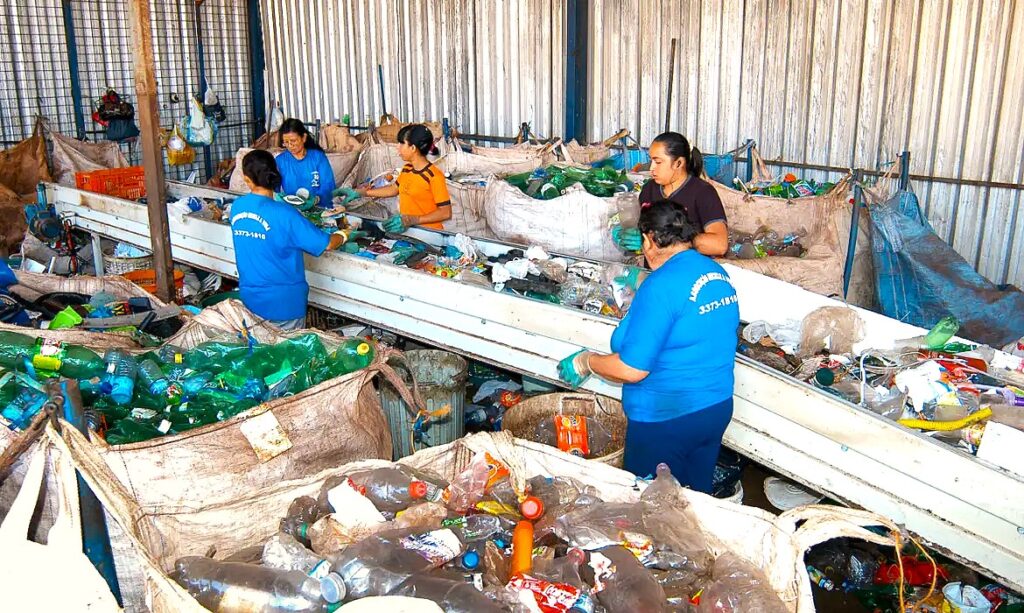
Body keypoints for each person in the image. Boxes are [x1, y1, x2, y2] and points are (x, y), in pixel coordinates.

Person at [559, 201, 739, 492]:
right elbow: (689, 311)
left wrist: (586, 361)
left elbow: (632, 369)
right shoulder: (716, 273)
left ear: (649, 240)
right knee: (695, 503)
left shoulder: (660, 287)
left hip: (666, 419)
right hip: (714, 410)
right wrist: (644, 279)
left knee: (651, 511)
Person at [230, 150, 363, 330]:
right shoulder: (285, 214)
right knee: (286, 355)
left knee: (261, 353)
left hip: (251, 300)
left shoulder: (237, 207)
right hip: (285, 304)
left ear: (247, 179)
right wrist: (345, 233)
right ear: (275, 173)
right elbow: (327, 244)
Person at [612, 132, 729, 257]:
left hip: (688, 271)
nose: (651, 168)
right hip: (655, 270)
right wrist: (631, 234)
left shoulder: (703, 192)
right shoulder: (649, 189)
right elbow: (644, 230)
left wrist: (666, 240)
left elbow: (719, 245)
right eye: (651, 160)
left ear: (678, 163)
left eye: (658, 162)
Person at [339, 124, 451, 232]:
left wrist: (413, 219)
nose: (398, 147)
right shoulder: (407, 169)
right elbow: (393, 189)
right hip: (410, 230)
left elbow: (445, 212)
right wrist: (361, 193)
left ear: (412, 148)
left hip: (430, 233)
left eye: (402, 143)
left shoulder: (434, 176)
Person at [275, 118, 337, 208]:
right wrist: (277, 197)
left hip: (320, 209)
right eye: (286, 142)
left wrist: (316, 199)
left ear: (303, 138)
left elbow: (328, 185)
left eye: (293, 141)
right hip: (294, 210)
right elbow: (273, 188)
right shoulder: (280, 161)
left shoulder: (318, 157)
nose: (290, 146)